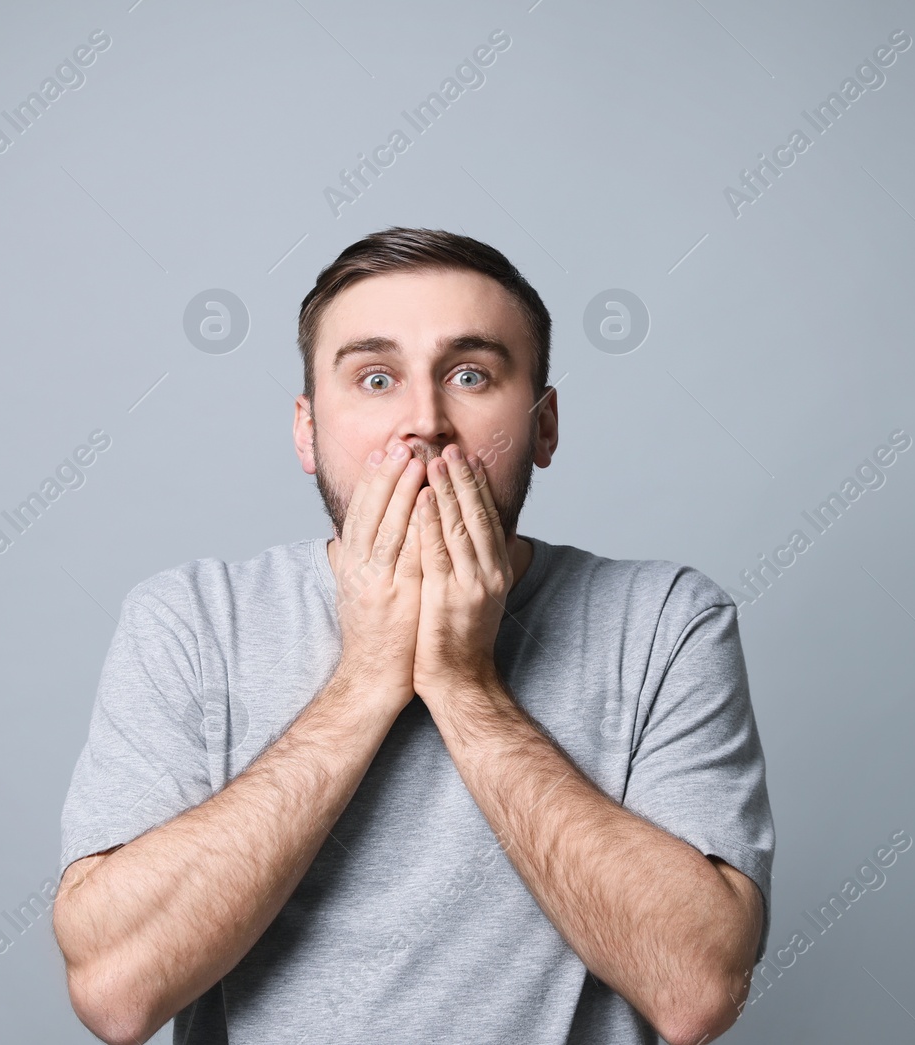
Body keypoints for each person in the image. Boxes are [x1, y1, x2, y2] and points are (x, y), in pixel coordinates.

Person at [52, 228, 774, 1045]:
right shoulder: (190, 620)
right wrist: (365, 678)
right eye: (375, 377)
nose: (424, 423)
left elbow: (697, 989)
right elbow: (116, 994)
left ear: (543, 425)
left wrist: (467, 687)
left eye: (471, 375)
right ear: (307, 430)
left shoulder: (666, 622)